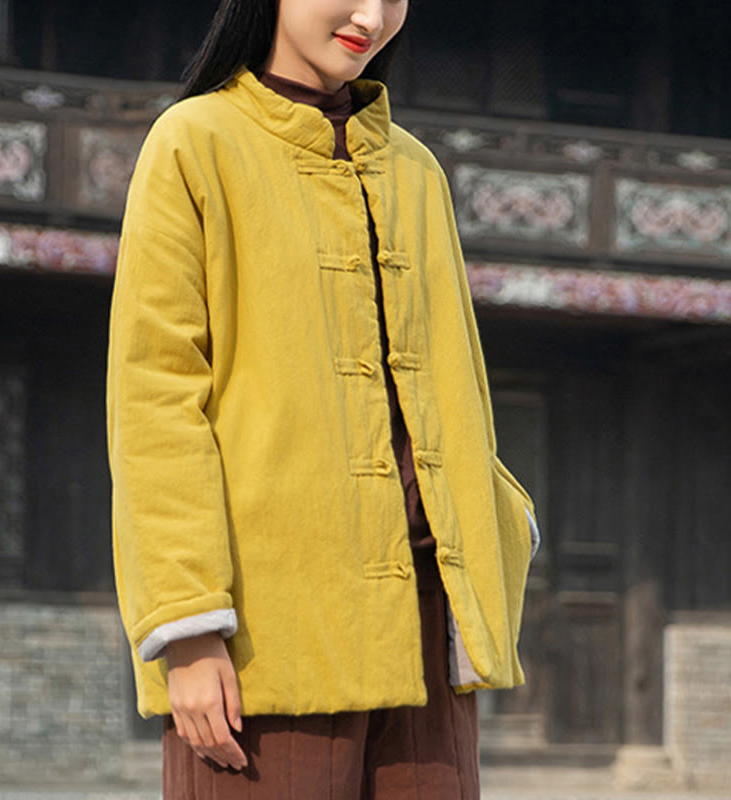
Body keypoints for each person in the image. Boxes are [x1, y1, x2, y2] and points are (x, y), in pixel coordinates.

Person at [106, 0, 540, 797]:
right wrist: (188, 626)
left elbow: (458, 384)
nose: (372, 16)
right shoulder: (195, 141)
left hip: (428, 622)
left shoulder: (416, 169)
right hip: (269, 631)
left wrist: (504, 515)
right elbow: (154, 398)